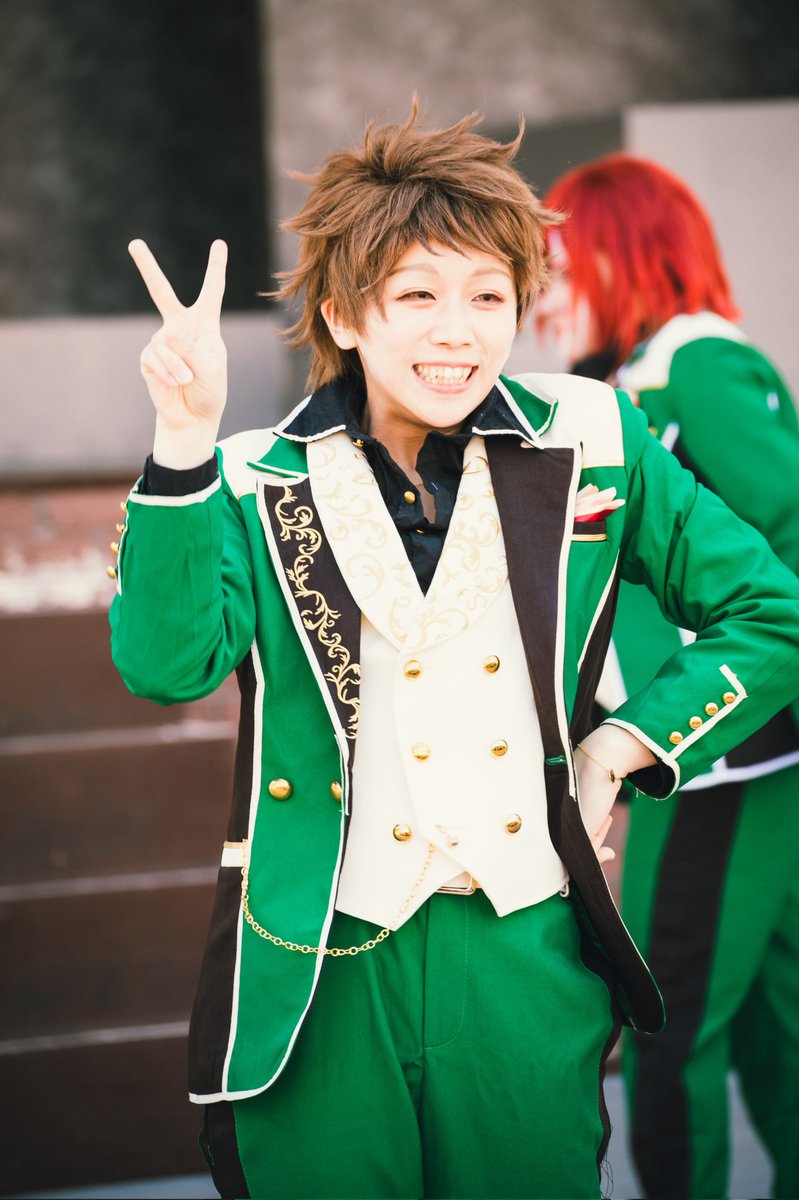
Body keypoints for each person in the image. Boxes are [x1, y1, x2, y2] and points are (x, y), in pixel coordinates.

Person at [109, 108, 799, 1200]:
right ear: (345, 312)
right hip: (319, 957)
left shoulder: (593, 437)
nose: (459, 332)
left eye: (487, 297)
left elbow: (772, 610)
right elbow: (166, 666)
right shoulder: (245, 476)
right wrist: (182, 440)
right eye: (418, 296)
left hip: (523, 952)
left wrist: (624, 744)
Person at [537, 152, 799, 1200]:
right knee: (767, 1016)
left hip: (723, 753)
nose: (547, 286)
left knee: (670, 1017)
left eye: (563, 259)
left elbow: (785, 546)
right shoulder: (636, 376)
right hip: (709, 746)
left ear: (622, 247)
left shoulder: (695, 365)